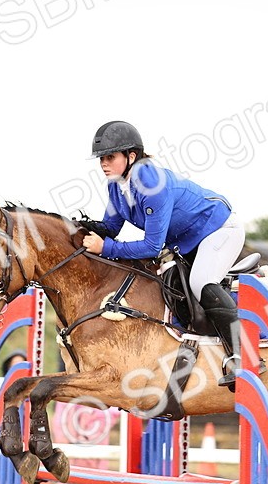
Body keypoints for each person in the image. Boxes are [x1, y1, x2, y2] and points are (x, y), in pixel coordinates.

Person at [81, 120, 245, 388]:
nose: (103, 164)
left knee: (201, 282)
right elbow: (110, 227)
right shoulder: (116, 184)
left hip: (218, 229)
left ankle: (242, 357)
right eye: (101, 158)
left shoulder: (152, 184)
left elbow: (151, 247)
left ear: (131, 156)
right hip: (187, 242)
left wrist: (106, 248)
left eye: (109, 157)